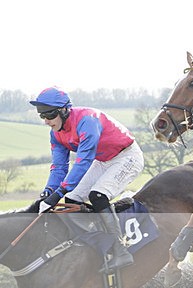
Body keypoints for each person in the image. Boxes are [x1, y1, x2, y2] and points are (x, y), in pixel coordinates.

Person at [30, 87, 144, 271]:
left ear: (64, 110)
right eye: (41, 116)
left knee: (97, 195)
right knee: (71, 200)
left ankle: (121, 251)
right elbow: (59, 167)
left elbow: (83, 162)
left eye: (49, 116)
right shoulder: (56, 133)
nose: (46, 121)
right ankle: (97, 243)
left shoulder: (87, 120)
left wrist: (59, 191)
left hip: (127, 157)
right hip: (102, 160)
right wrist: (49, 191)